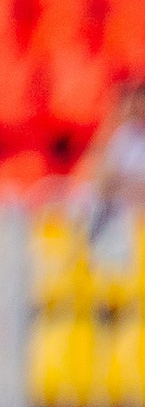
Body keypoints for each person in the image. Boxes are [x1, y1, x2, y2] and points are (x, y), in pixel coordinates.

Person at [75, 76, 145, 271]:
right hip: (121, 209)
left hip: (137, 212)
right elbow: (103, 179)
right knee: (85, 198)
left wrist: (125, 185)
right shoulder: (126, 133)